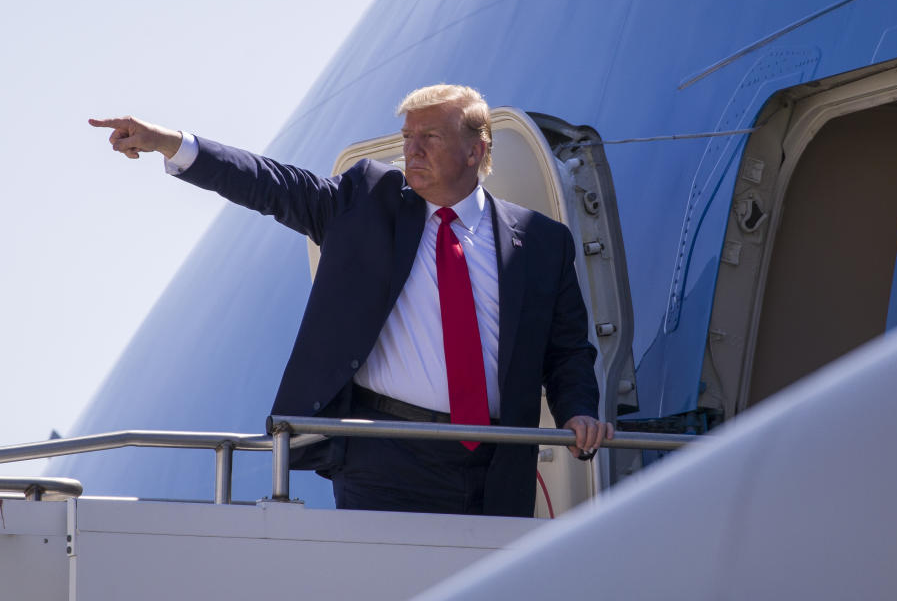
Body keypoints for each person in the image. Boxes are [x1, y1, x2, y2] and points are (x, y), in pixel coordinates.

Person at [90, 84, 613, 517]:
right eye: (408, 137)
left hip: (499, 465)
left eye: (429, 137)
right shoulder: (365, 201)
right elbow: (271, 183)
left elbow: (566, 350)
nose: (412, 151)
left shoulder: (543, 241)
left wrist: (579, 412)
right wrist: (171, 143)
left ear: (476, 150)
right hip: (386, 459)